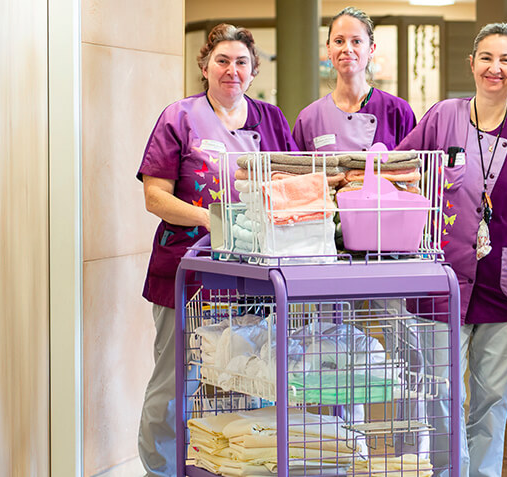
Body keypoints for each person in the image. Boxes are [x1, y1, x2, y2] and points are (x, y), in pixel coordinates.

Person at [396, 23, 507, 477]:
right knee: (438, 391)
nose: (495, 68)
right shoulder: (442, 116)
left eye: (506, 60)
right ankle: (448, 471)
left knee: (491, 395)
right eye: (487, 58)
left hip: (503, 280)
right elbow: (403, 166)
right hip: (440, 276)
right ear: (471, 64)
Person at [135, 23, 296, 476]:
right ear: (205, 66)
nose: (232, 70)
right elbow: (155, 197)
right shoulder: (179, 117)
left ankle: (235, 466)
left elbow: (292, 184)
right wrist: (212, 220)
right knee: (175, 383)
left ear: (253, 70)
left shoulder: (272, 119)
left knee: (249, 379)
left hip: (256, 276)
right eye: (222, 60)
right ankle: (162, 470)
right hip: (186, 271)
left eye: (242, 62)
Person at [292, 6, 416, 151]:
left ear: (371, 49)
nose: (347, 49)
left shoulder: (398, 111)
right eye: (339, 41)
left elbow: (411, 169)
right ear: (329, 49)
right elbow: (298, 171)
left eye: (356, 41)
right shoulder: (309, 118)